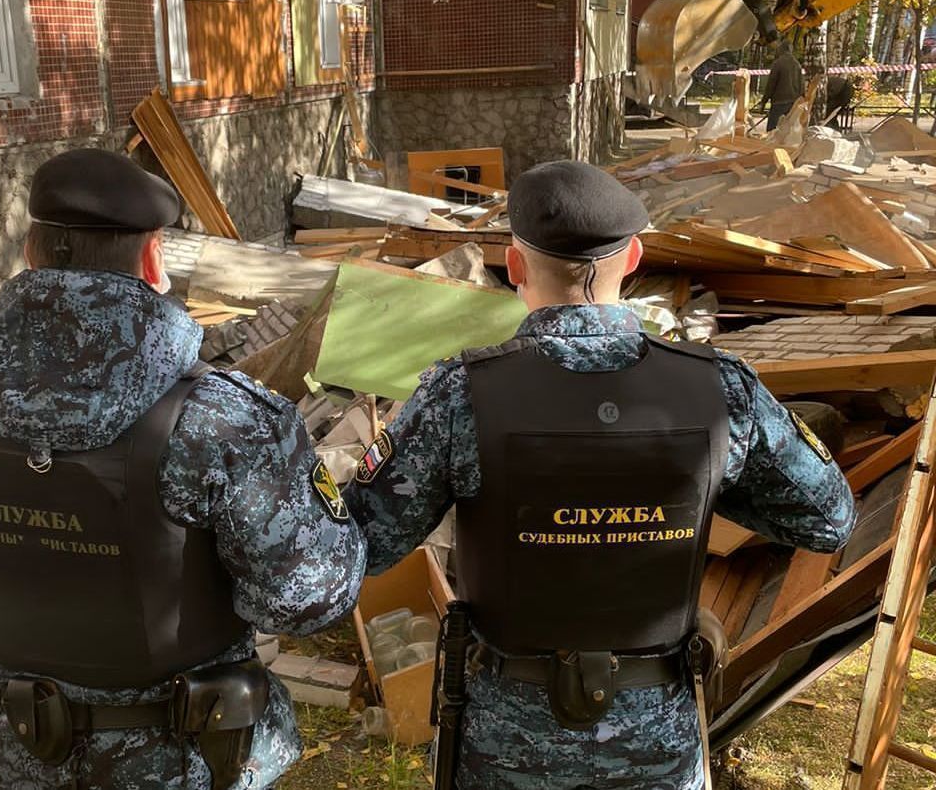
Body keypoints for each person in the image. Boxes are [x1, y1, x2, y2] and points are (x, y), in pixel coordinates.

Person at [344, 160, 855, 790]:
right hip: (657, 741)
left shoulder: (459, 397)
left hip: (509, 741)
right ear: (635, 256)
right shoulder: (719, 388)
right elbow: (829, 517)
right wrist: (709, 485)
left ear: (515, 265)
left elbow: (359, 545)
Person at [0, 147, 367, 790]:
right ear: (154, 259)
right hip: (195, 759)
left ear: (31, 252)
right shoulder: (225, 421)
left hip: (29, 754)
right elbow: (306, 598)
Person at [758, 39, 805, 131]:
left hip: (779, 103)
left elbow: (771, 85)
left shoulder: (778, 63)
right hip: (793, 103)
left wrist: (764, 101)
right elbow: (801, 85)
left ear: (781, 50)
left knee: (772, 131)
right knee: (787, 133)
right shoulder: (797, 64)